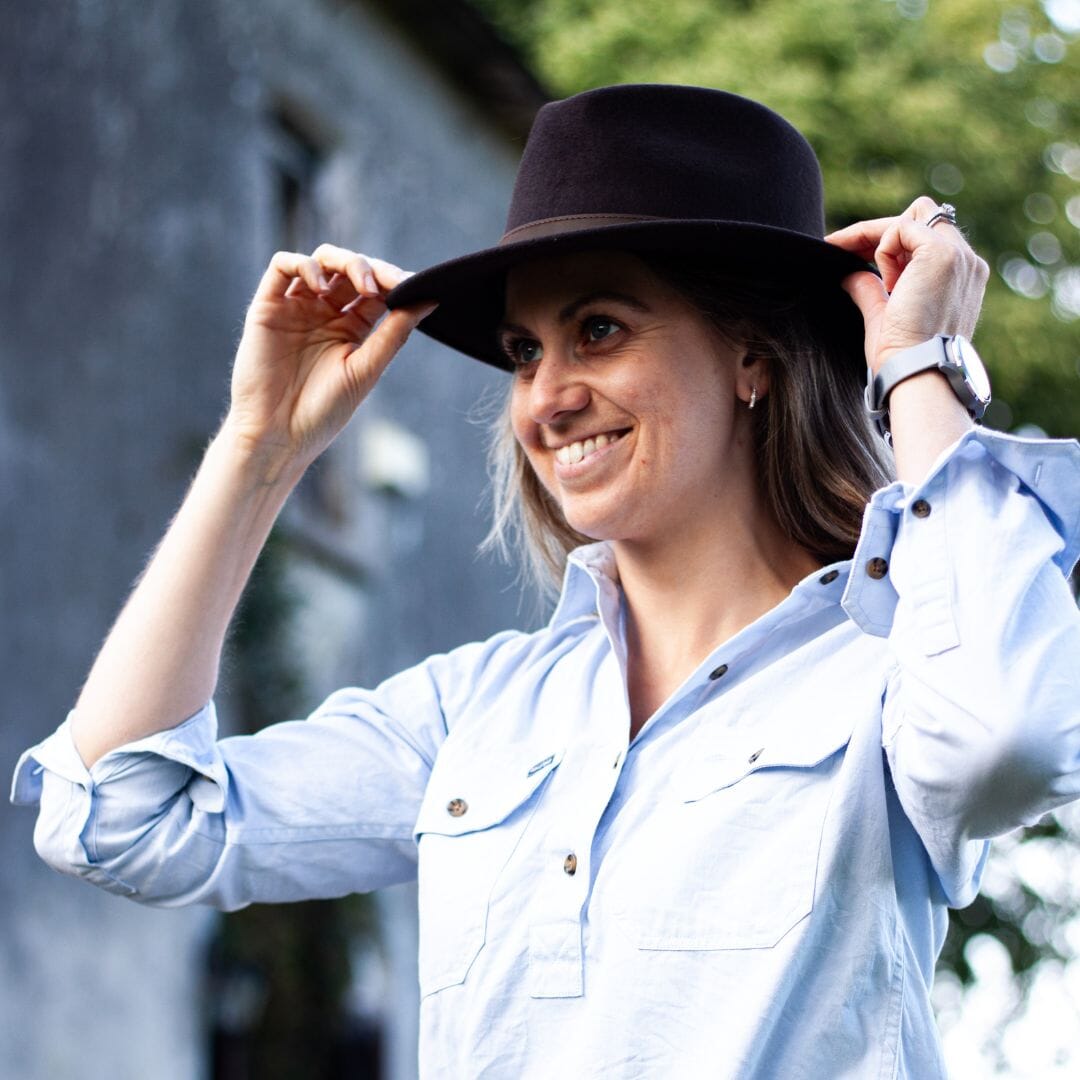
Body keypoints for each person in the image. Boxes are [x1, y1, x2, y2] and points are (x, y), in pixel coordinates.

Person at [12, 84, 1080, 1078]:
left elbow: (1009, 743)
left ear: (752, 357)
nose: (547, 399)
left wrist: (918, 365)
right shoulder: (474, 713)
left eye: (600, 331)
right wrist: (261, 451)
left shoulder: (896, 672)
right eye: (526, 351)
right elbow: (121, 817)